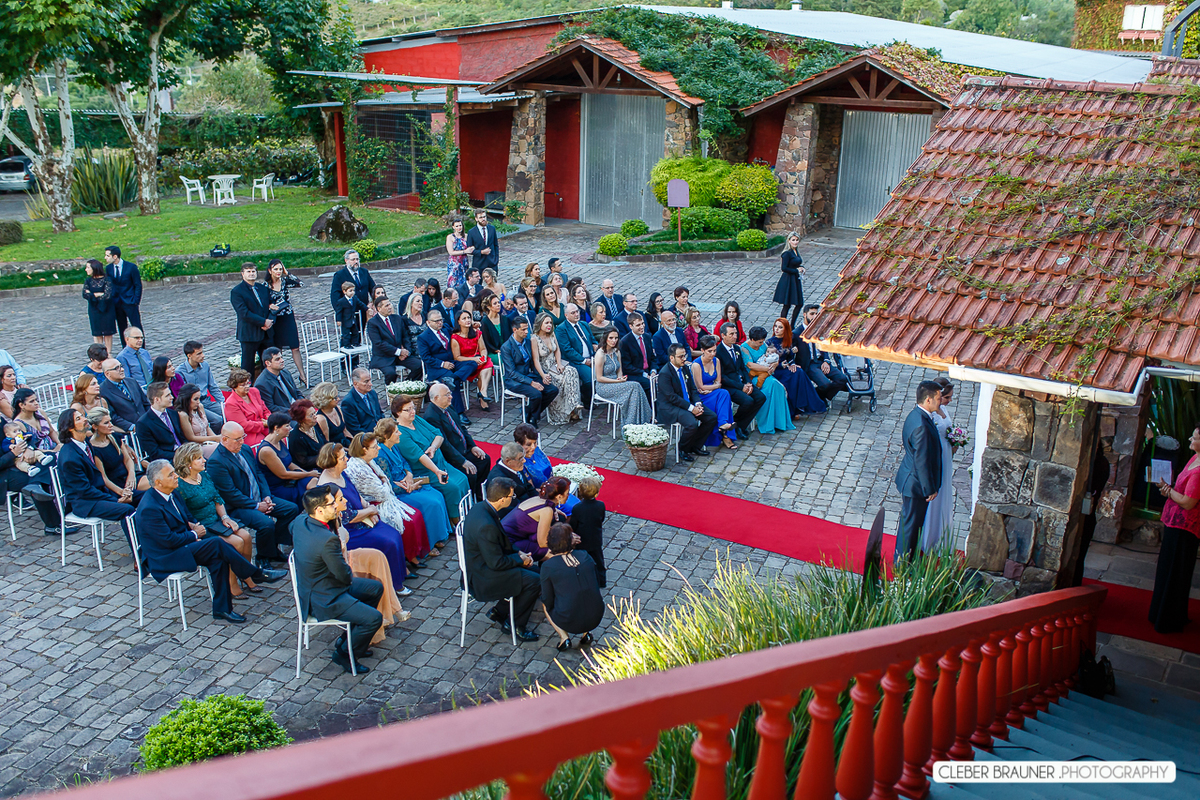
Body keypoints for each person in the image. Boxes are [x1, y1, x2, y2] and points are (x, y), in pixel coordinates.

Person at [136, 459, 288, 624]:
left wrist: (193, 524)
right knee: (216, 544)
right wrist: (195, 533)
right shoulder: (150, 508)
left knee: (217, 557)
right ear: (158, 482)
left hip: (181, 545)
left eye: (174, 472)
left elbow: (187, 516)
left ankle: (222, 608)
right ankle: (255, 574)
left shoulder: (172, 492)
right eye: (171, 474)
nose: (176, 476)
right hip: (165, 557)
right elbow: (167, 541)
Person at [315, 442, 410, 591]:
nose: (347, 459)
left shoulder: (342, 473)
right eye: (343, 458)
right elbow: (347, 517)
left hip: (363, 519)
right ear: (332, 462)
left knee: (393, 533)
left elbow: (356, 494)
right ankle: (394, 585)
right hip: (350, 530)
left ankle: (398, 575)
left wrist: (367, 506)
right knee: (388, 542)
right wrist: (370, 511)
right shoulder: (326, 487)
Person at [173, 443, 259, 599]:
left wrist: (225, 517)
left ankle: (245, 574)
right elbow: (183, 514)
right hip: (202, 525)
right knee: (236, 542)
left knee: (246, 536)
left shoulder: (204, 476)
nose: (204, 460)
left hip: (217, 519)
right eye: (198, 458)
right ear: (187, 463)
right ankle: (231, 583)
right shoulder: (180, 486)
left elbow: (217, 498)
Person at [207, 422, 300, 566]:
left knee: (291, 509)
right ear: (224, 439)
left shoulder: (244, 449)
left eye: (242, 437)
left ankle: (273, 547)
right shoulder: (216, 461)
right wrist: (257, 506)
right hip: (238, 506)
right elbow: (230, 494)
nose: (242, 442)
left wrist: (266, 496)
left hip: (258, 497)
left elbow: (258, 473)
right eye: (237, 439)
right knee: (266, 524)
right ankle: (263, 557)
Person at [462, 478, 539, 641]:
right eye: (512, 496)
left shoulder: (480, 507)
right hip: (484, 575)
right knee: (535, 581)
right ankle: (515, 625)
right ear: (502, 499)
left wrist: (520, 555)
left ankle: (500, 611)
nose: (514, 499)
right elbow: (497, 563)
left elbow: (499, 547)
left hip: (484, 562)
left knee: (537, 571)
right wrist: (520, 560)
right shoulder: (486, 526)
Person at [345, 432, 432, 570]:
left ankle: (413, 556)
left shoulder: (370, 461)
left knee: (416, 515)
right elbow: (382, 493)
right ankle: (406, 559)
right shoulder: (357, 468)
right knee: (407, 523)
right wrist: (385, 481)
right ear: (364, 450)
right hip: (375, 505)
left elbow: (385, 482)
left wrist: (384, 481)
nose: (378, 448)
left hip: (387, 499)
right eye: (374, 447)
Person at [373, 418, 454, 547]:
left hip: (408, 481)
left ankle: (440, 535)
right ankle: (429, 543)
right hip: (400, 491)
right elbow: (388, 485)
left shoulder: (394, 446)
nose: (400, 433)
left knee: (437, 495)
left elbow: (405, 462)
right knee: (430, 503)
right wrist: (410, 487)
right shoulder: (381, 456)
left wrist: (409, 474)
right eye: (396, 432)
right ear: (387, 436)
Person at [56, 408, 139, 532]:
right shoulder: (70, 458)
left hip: (99, 493)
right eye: (78, 419)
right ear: (70, 428)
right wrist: (116, 500)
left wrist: (121, 492)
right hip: (86, 503)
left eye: (83, 416)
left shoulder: (85, 443)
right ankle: (140, 549)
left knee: (145, 496)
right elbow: (84, 491)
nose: (85, 419)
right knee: (127, 509)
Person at [1152, 425, 1200, 634]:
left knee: (1175, 573)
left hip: (1185, 528)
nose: (1190, 438)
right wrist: (1169, 490)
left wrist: (1169, 492)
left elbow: (1189, 502)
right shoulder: (1194, 459)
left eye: (1195, 437)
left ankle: (1168, 619)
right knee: (1167, 570)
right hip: (1175, 522)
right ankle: (1162, 613)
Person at [392, 394, 470, 522]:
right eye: (408, 409)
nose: (413, 411)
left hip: (440, 463)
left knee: (463, 479)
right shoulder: (402, 434)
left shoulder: (416, 419)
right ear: (398, 413)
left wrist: (433, 447)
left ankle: (465, 512)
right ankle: (455, 520)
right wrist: (436, 471)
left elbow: (438, 434)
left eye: (413, 407)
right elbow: (421, 456)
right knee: (453, 488)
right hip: (427, 471)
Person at [895, 381, 944, 564]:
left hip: (911, 479)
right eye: (938, 399)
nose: (940, 402)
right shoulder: (922, 426)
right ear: (928, 399)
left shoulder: (915, 414)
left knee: (910, 524)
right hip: (915, 484)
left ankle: (905, 559)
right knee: (911, 527)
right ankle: (903, 564)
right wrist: (929, 488)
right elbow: (922, 461)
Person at [540, 523, 604, 651]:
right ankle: (586, 633)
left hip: (568, 618)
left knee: (544, 605)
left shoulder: (549, 566)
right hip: (596, 614)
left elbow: (547, 598)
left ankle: (564, 637)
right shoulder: (585, 556)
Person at [423, 382, 492, 499]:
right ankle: (470, 499)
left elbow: (461, 428)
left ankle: (479, 493)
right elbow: (445, 445)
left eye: (450, 393)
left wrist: (473, 446)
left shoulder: (448, 406)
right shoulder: (431, 417)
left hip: (462, 448)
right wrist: (462, 461)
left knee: (484, 459)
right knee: (470, 472)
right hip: (452, 456)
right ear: (436, 398)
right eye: (447, 395)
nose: (451, 396)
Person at [656, 344, 718, 463]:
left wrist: (698, 403)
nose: (684, 358)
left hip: (687, 402)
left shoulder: (684, 368)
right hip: (670, 407)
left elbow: (692, 388)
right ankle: (682, 449)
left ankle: (695, 445)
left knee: (711, 417)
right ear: (672, 358)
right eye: (681, 356)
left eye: (685, 355)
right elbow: (672, 397)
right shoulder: (665, 373)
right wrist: (691, 408)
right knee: (691, 424)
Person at [417, 309, 474, 424]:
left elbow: (457, 332)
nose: (440, 323)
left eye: (441, 320)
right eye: (436, 321)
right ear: (428, 322)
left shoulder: (446, 328)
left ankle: (453, 378)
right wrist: (442, 364)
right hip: (437, 367)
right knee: (454, 383)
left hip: (452, 362)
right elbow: (426, 357)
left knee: (472, 363)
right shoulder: (423, 337)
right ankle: (459, 413)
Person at [501, 317, 560, 427]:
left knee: (552, 390)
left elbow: (533, 363)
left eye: (527, 329)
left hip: (528, 375)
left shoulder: (528, 342)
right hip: (514, 380)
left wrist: (541, 376)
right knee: (536, 394)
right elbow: (512, 372)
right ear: (515, 330)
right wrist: (531, 383)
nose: (527, 332)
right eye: (523, 330)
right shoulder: (506, 347)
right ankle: (532, 419)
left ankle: (530, 412)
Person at [921, 378, 957, 553]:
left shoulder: (944, 410)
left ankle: (941, 535)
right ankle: (928, 538)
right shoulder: (930, 415)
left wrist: (957, 439)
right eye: (947, 397)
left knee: (945, 493)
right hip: (938, 456)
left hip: (947, 455)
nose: (949, 401)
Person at [502, 475, 573, 562]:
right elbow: (543, 543)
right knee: (558, 553)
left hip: (505, 535)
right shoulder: (546, 510)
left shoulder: (537, 499)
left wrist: (554, 509)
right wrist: (566, 539)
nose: (568, 495)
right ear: (559, 496)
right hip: (510, 544)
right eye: (567, 493)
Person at [715, 322, 767, 439]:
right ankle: (738, 424)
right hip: (730, 386)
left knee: (760, 397)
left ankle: (739, 424)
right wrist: (741, 386)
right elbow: (723, 377)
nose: (735, 336)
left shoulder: (737, 348)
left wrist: (748, 382)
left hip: (743, 382)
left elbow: (743, 368)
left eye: (736, 333)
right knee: (748, 401)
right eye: (731, 334)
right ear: (723, 335)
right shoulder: (719, 352)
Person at [741, 326, 795, 436]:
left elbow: (773, 358)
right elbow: (750, 365)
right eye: (759, 342)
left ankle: (778, 422)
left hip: (767, 375)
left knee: (778, 387)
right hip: (753, 377)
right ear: (752, 340)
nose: (762, 344)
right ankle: (766, 423)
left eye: (762, 341)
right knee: (769, 388)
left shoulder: (764, 345)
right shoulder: (744, 348)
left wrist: (774, 365)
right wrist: (767, 369)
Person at [767, 318, 826, 418]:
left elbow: (790, 357)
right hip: (776, 370)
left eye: (780, 327)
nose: (777, 329)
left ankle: (800, 406)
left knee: (799, 372)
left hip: (786, 368)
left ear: (785, 330)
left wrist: (792, 364)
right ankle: (792, 410)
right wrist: (783, 365)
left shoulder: (788, 341)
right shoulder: (769, 342)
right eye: (775, 326)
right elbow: (769, 361)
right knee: (793, 376)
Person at [532, 312, 583, 426]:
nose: (549, 325)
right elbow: (535, 360)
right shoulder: (534, 339)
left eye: (550, 322)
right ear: (540, 324)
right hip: (544, 368)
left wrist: (559, 364)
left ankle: (574, 404)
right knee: (560, 380)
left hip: (555, 365)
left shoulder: (552, 334)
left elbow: (557, 350)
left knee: (572, 371)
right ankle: (564, 412)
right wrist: (543, 375)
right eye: (546, 323)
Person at [594, 328, 652, 425]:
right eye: (611, 338)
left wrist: (620, 378)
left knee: (636, 388)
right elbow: (599, 378)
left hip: (617, 382)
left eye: (616, 338)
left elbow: (619, 370)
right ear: (605, 339)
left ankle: (639, 420)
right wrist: (617, 381)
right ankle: (636, 421)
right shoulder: (600, 354)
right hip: (603, 386)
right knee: (634, 386)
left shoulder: (616, 351)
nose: (614, 341)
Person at [257, 412, 318, 505]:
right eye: (287, 426)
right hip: (279, 486)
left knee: (314, 481)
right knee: (311, 490)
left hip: (289, 479)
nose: (290, 428)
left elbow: (289, 463)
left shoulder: (279, 441)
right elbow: (283, 474)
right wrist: (308, 474)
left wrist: (307, 474)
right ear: (276, 428)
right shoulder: (267, 450)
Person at [690, 335, 738, 450]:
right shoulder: (696, 365)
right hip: (702, 396)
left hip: (713, 392)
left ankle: (723, 426)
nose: (713, 354)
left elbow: (719, 382)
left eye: (714, 351)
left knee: (724, 393)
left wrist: (712, 387)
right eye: (709, 351)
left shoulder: (717, 361)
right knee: (723, 395)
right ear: (702, 351)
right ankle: (725, 433)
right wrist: (714, 386)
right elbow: (700, 386)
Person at [264, 259, 306, 384]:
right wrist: (270, 305)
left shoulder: (284, 281)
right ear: (270, 270)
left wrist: (287, 273)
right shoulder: (265, 285)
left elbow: (300, 283)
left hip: (287, 316)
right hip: (276, 319)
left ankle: (302, 375)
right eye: (275, 269)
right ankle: (280, 376)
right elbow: (263, 302)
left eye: (280, 269)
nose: (278, 272)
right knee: (278, 348)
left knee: (295, 347)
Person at [87, 408, 147, 494]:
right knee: (158, 486)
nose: (111, 425)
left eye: (110, 421)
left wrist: (131, 474)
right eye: (106, 423)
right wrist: (121, 492)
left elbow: (127, 459)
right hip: (116, 485)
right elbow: (104, 478)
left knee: (160, 482)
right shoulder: (94, 449)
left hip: (130, 476)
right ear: (95, 427)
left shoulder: (114, 437)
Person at [798, 305, 850, 402]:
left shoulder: (820, 329)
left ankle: (817, 396)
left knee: (842, 379)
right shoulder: (797, 332)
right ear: (804, 315)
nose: (815, 316)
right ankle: (818, 397)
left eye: (816, 314)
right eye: (812, 314)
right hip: (810, 364)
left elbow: (824, 346)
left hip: (821, 361)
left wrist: (826, 360)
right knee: (825, 384)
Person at [229, 263, 274, 375]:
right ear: (242, 274)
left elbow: (269, 306)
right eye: (248, 271)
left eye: (253, 271)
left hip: (266, 333)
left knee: (268, 363)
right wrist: (262, 322)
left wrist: (268, 322)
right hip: (249, 333)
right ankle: (247, 388)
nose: (251, 274)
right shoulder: (237, 291)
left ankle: (266, 387)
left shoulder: (262, 288)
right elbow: (244, 313)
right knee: (248, 365)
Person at [367, 296, 423, 385]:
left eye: (390, 304)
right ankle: (392, 392)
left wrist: (407, 351)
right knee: (391, 373)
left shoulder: (396, 318)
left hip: (400, 355)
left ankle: (406, 385)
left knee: (419, 365)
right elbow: (379, 343)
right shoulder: (373, 323)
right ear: (379, 308)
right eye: (386, 306)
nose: (390, 307)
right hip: (384, 357)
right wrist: (398, 351)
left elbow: (405, 336)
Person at [569, 475, 607, 588]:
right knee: (599, 561)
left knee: (581, 560)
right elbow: (601, 518)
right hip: (595, 538)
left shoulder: (577, 508)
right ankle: (601, 581)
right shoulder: (600, 505)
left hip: (582, 539)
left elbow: (573, 525)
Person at [556, 303, 596, 410]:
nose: (576, 314)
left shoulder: (584, 324)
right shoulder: (562, 329)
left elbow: (592, 339)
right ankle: (587, 400)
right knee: (589, 378)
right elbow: (567, 350)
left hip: (591, 357)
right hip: (576, 361)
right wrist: (584, 361)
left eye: (577, 311)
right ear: (566, 315)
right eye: (573, 313)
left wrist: (596, 348)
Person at [451, 309, 493, 410]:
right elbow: (457, 357)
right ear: (458, 321)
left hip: (478, 359)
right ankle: (482, 397)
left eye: (469, 318)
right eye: (464, 318)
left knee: (487, 362)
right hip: (465, 362)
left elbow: (483, 349)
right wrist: (474, 359)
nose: (468, 320)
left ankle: (483, 392)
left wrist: (483, 357)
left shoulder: (477, 333)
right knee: (480, 370)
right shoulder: (455, 337)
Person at [176, 341, 225, 427]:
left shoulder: (205, 365)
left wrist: (223, 402)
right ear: (189, 356)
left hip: (206, 400)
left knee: (228, 413)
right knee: (217, 420)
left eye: (202, 352)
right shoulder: (180, 372)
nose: (203, 356)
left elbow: (213, 386)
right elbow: (184, 395)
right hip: (194, 404)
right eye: (199, 354)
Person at [328, 249, 376, 335]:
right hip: (349, 312)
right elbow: (335, 296)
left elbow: (373, 289)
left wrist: (372, 303)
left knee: (360, 333)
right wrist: (341, 312)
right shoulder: (339, 275)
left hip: (363, 309)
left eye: (357, 259)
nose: (356, 262)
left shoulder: (364, 272)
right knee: (349, 336)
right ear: (346, 261)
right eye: (353, 259)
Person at [137, 382, 186, 462]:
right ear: (157, 400)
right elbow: (154, 453)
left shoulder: (173, 414)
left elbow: (182, 437)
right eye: (167, 395)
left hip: (184, 454)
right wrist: (179, 455)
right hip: (167, 461)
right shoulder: (143, 423)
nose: (172, 397)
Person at [104, 245, 141, 348]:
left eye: (108, 255)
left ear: (115, 256)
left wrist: (136, 300)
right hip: (117, 302)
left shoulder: (131, 267)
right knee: (122, 327)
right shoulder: (108, 268)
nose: (105, 258)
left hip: (130, 301)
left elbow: (137, 284)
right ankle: (125, 348)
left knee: (136, 325)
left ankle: (141, 348)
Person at [98, 359, 149, 433]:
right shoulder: (103, 391)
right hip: (130, 431)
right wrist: (132, 427)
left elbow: (145, 402)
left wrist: (151, 418)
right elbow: (113, 416)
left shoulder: (131, 381)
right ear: (107, 373)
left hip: (147, 422)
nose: (121, 370)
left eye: (121, 366)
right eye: (116, 368)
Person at [223, 369, 270, 448]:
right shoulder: (231, 403)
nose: (247, 386)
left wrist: (270, 419)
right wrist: (264, 424)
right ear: (234, 387)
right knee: (265, 446)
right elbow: (244, 425)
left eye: (248, 383)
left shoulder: (254, 391)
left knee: (280, 435)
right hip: (248, 433)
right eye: (243, 385)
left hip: (265, 426)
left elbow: (265, 410)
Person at [486, 442, 536, 515]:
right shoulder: (500, 481)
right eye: (520, 458)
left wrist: (542, 499)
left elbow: (527, 486)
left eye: (523, 457)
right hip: (517, 515)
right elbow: (510, 508)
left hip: (527, 504)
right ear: (508, 461)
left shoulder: (515, 466)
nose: (524, 461)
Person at [174, 384, 221, 458]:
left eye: (199, 399)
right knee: (220, 450)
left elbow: (207, 427)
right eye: (195, 399)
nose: (198, 402)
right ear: (187, 399)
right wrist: (214, 438)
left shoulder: (200, 407)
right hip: (196, 447)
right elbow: (191, 437)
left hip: (208, 442)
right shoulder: (183, 414)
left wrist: (217, 438)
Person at [254, 347, 305, 415]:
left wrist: (302, 403)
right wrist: (293, 411)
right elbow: (270, 407)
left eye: (281, 357)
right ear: (268, 363)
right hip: (285, 415)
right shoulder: (262, 384)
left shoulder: (285, 372)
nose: (282, 360)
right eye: (277, 359)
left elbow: (296, 392)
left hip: (297, 408)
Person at [618, 312, 656, 402]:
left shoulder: (646, 337)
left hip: (648, 372)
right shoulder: (625, 342)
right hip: (634, 374)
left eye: (642, 323)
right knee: (649, 384)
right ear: (631, 326)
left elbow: (652, 358)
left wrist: (653, 371)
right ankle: (651, 410)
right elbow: (626, 366)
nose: (642, 327)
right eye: (638, 325)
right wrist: (644, 374)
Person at [82, 258, 116, 351]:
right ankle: (99, 353)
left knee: (108, 332)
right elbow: (85, 294)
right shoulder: (88, 281)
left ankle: (108, 353)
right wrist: (97, 294)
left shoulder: (107, 280)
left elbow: (107, 295)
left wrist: (92, 295)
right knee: (97, 332)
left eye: (88, 267)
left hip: (107, 309)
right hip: (94, 310)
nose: (86, 269)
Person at [335, 369, 381, 437]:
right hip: (366, 438)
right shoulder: (348, 402)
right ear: (355, 383)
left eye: (370, 380)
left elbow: (379, 413)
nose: (370, 384)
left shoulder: (372, 393)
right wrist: (374, 436)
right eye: (366, 382)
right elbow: (354, 429)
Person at [287, 399, 329, 472]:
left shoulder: (314, 425)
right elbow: (303, 462)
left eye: (314, 413)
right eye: (311, 415)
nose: (315, 416)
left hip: (325, 463)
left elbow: (324, 442)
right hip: (313, 471)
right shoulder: (296, 437)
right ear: (301, 419)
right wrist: (325, 456)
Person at [775, 232, 805, 327]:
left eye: (797, 240)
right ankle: (782, 325)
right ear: (789, 241)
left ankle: (792, 325)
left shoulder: (795, 250)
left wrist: (801, 268)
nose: (795, 242)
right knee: (787, 304)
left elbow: (795, 263)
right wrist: (796, 270)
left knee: (799, 303)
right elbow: (784, 268)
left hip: (795, 279)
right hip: (788, 280)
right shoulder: (787, 253)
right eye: (793, 240)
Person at [312, 382, 350, 447]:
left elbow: (345, 430)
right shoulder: (321, 418)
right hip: (335, 449)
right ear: (326, 400)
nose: (338, 399)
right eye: (335, 398)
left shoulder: (337, 408)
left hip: (345, 443)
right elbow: (327, 443)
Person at [479, 293, 511, 369]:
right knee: (505, 360)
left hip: (507, 349)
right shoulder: (484, 322)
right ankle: (506, 380)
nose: (498, 305)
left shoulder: (505, 319)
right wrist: (496, 350)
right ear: (489, 307)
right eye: (495, 303)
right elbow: (486, 341)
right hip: (493, 352)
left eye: (498, 302)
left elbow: (510, 335)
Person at [333, 281, 363, 356]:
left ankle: (355, 343)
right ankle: (347, 344)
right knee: (346, 334)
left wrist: (367, 309)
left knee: (355, 332)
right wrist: (338, 320)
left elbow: (361, 304)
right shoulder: (341, 301)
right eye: (350, 291)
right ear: (344, 291)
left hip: (353, 319)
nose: (352, 292)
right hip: (345, 320)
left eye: (353, 290)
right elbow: (339, 312)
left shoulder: (355, 298)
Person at [465, 208, 499, 273]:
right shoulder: (472, 232)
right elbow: (470, 250)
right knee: (478, 283)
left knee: (493, 283)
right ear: (476, 219)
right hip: (479, 264)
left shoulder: (492, 229)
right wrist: (481, 252)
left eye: (484, 217)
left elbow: (495, 245)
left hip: (492, 263)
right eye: (480, 217)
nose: (483, 219)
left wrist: (496, 260)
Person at [445, 216, 473, 289]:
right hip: (454, 262)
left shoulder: (466, 236)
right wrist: (464, 251)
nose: (459, 227)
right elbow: (451, 252)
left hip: (464, 262)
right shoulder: (450, 237)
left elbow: (470, 247)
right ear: (453, 227)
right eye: (457, 226)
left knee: (464, 280)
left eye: (460, 225)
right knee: (453, 281)